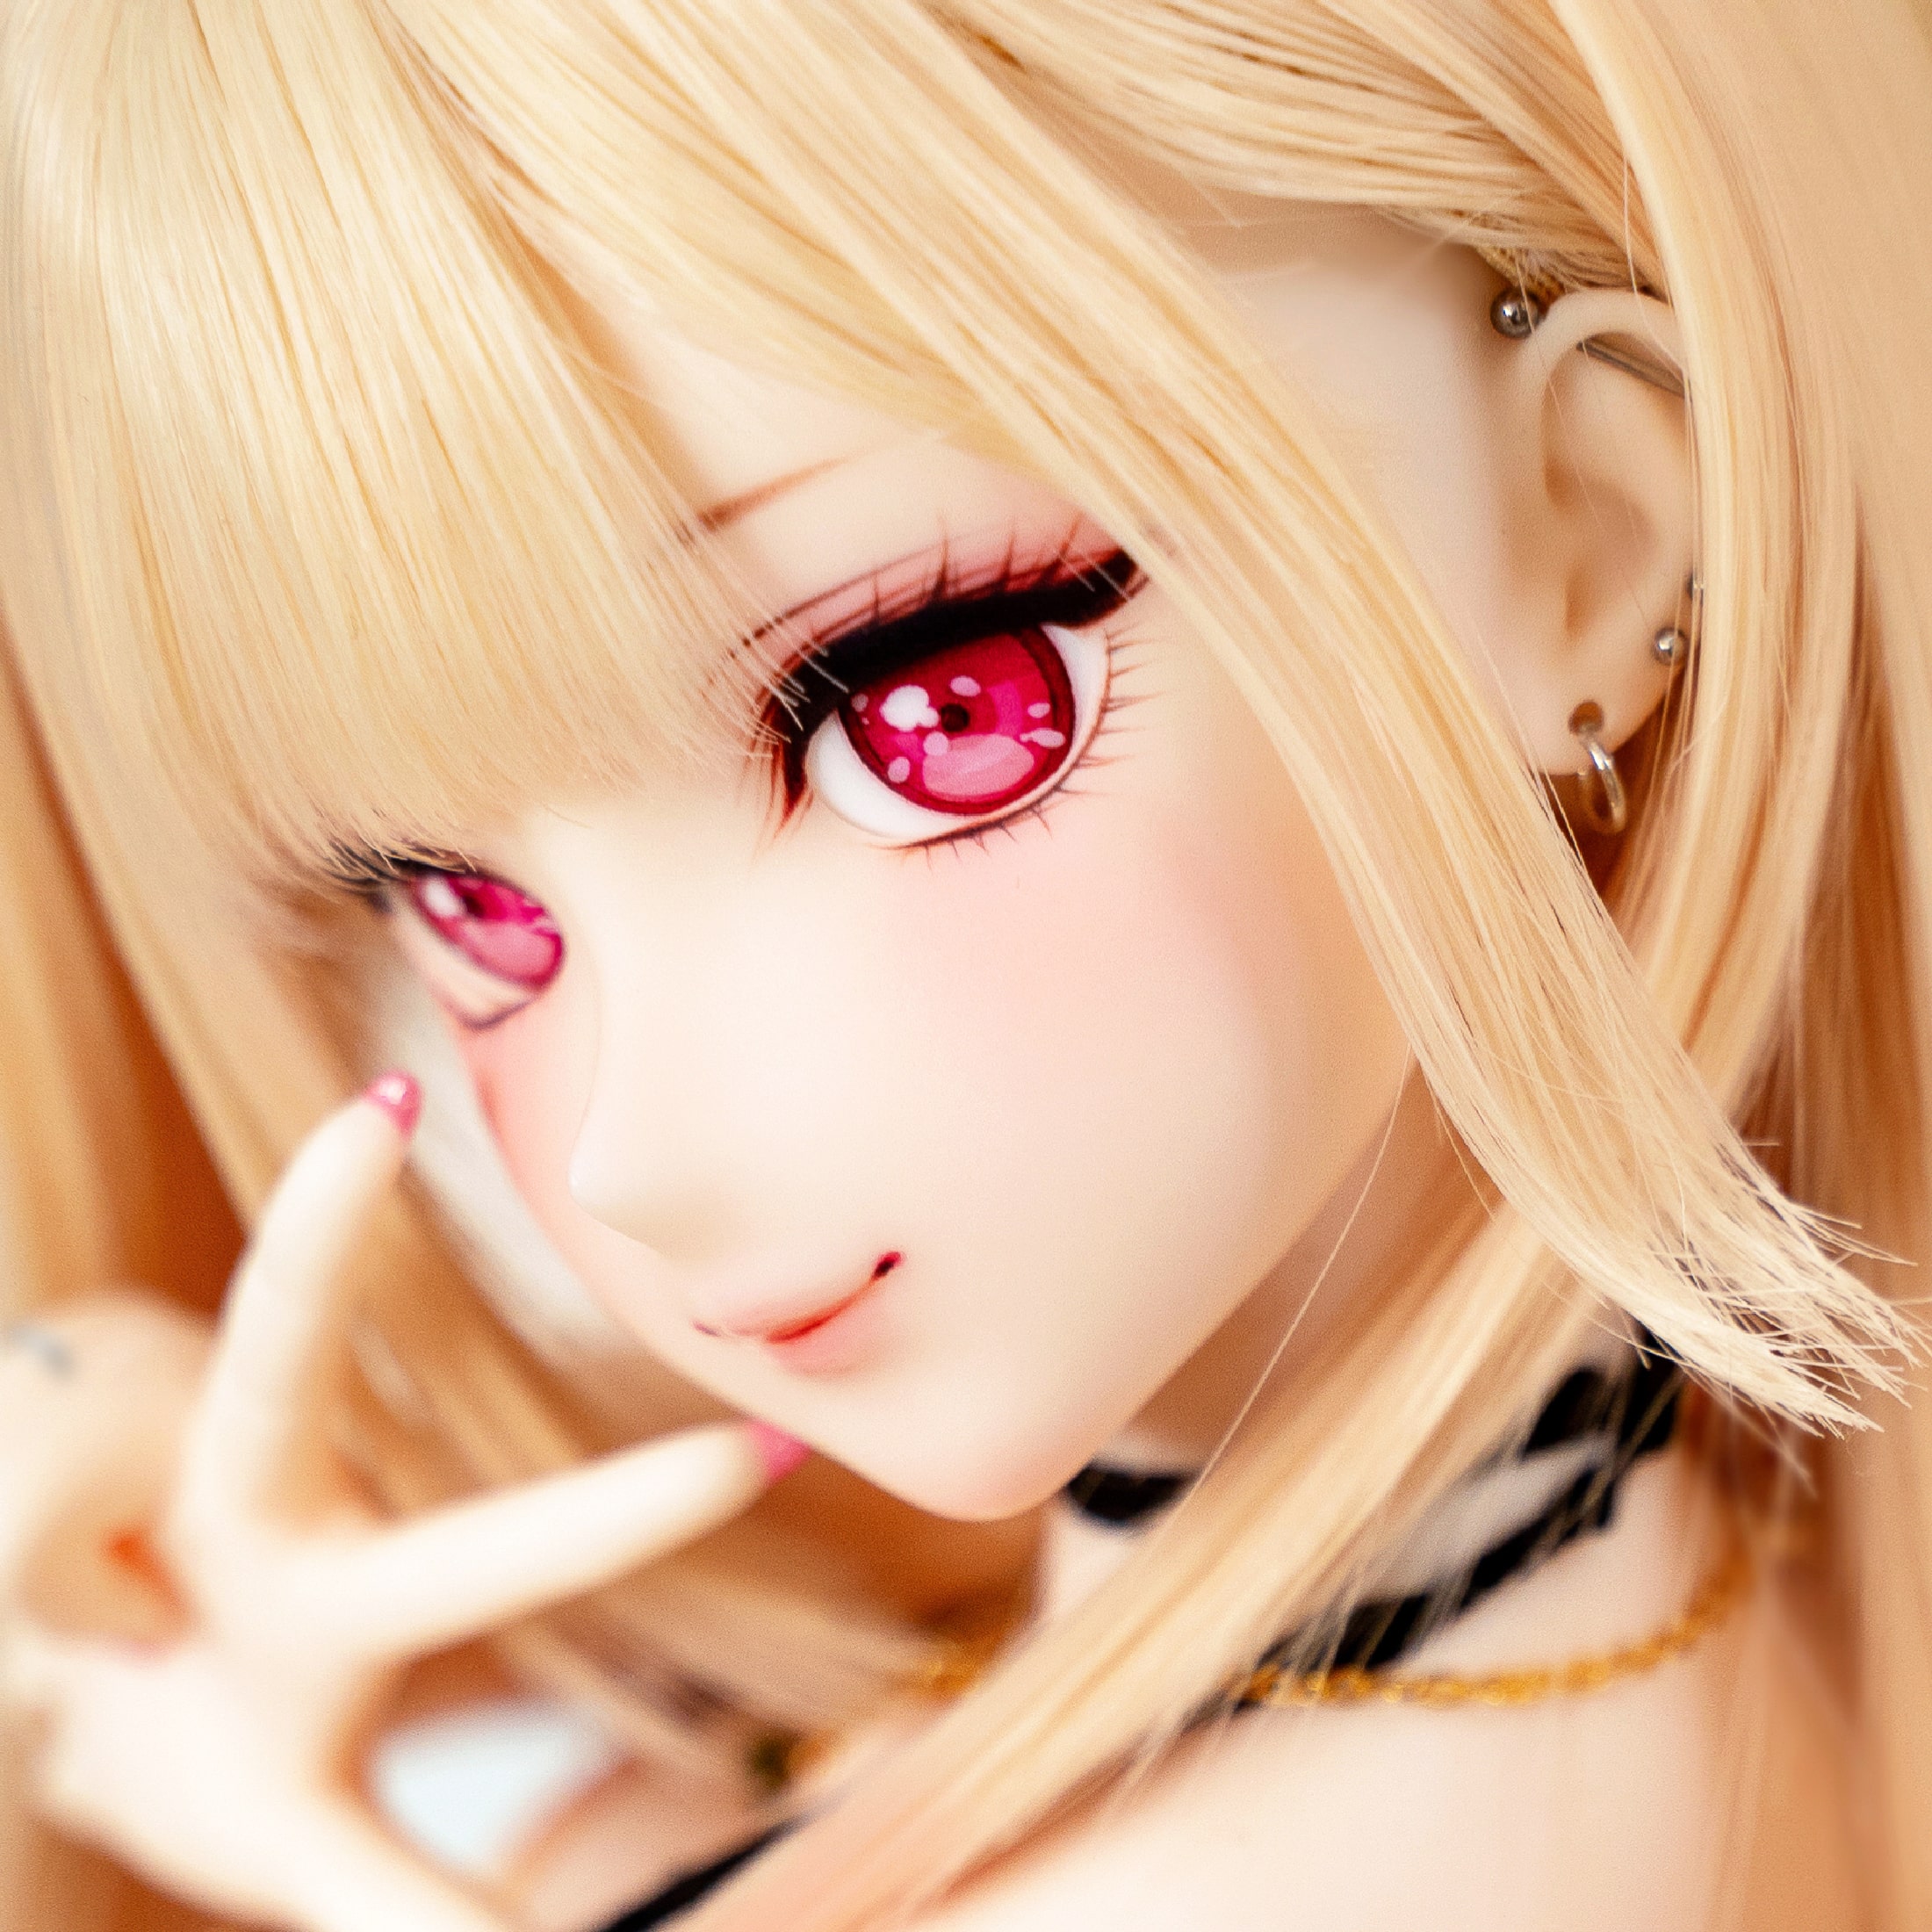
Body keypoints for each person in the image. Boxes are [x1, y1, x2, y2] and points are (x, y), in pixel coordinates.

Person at [1, 0, 1928, 1927]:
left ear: (1585, 540)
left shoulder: (1405, 1841)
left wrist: (280, 1832)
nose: (631, 1154)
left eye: (938, 713)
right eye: (469, 907)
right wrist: (359, 1731)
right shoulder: (1496, 1657)